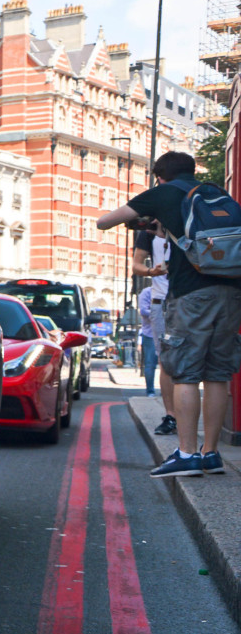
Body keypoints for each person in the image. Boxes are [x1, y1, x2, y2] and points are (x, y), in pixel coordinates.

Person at [98, 151, 241, 477]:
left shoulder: (163, 193)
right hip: (233, 290)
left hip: (191, 294)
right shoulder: (215, 192)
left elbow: (104, 221)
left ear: (160, 176)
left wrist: (146, 215)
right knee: (218, 374)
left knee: (186, 373)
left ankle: (187, 454)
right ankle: (211, 454)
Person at [132, 229, 177, 433]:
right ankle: (171, 416)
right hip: (161, 302)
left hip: (188, 299)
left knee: (193, 360)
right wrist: (151, 271)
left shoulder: (185, 220)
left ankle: (186, 414)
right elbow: (136, 265)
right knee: (165, 361)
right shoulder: (148, 233)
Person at [137, 285, 158, 396]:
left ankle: (168, 392)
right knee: (150, 364)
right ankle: (150, 391)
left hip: (169, 332)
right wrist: (160, 314)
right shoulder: (146, 292)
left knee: (169, 365)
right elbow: (144, 311)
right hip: (150, 334)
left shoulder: (171, 289)